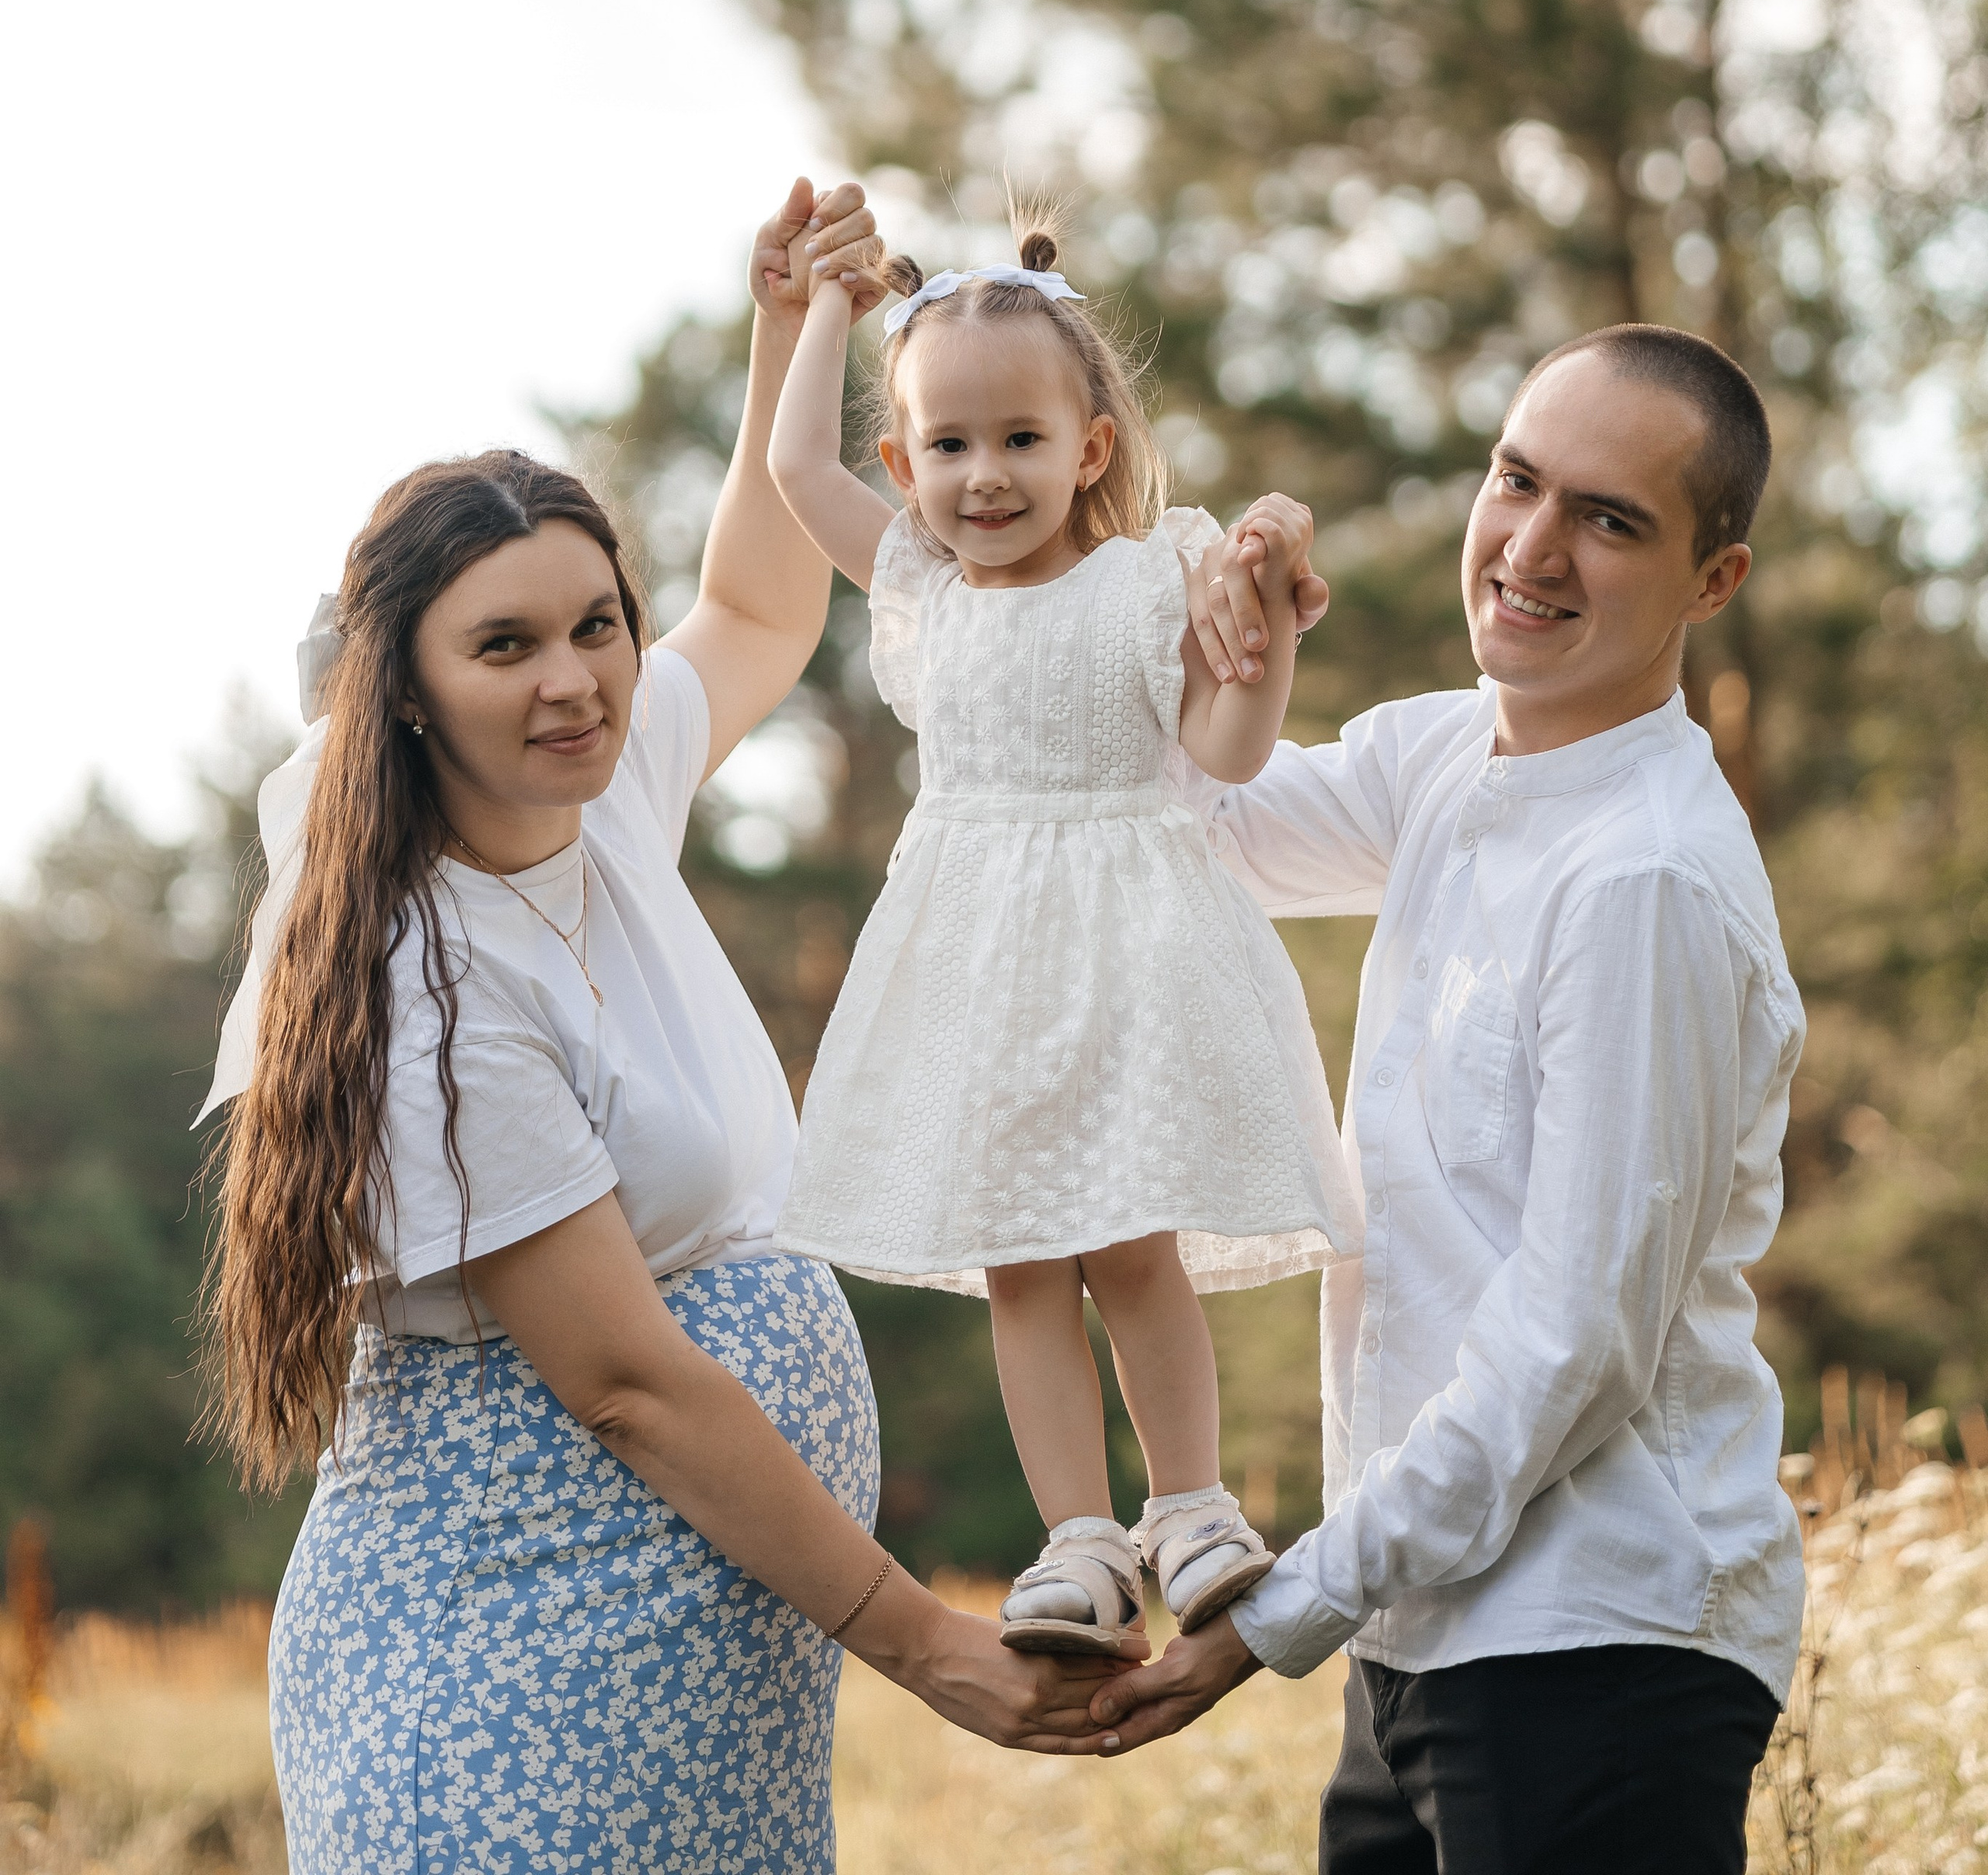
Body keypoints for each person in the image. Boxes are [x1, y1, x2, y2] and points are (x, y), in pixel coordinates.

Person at [198, 179, 1116, 1875]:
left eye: (596, 625)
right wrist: (926, 1643)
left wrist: (788, 332)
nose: (576, 680)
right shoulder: (431, 985)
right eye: (505, 646)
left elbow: (764, 612)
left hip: (694, 1658)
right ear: (401, 690)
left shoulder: (597, 803)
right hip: (506, 1669)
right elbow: (626, 1383)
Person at [1088, 324, 1806, 1875]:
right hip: (1421, 1636)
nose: (1532, 548)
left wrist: (1281, 1607)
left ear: (1709, 582)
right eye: (1516, 481)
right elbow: (1181, 820)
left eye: (1609, 520)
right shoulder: (1437, 758)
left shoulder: (1646, 883)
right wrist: (1204, 592)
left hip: (1597, 1647)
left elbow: (1569, 1351)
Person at [765, 217, 1361, 1658]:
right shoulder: (916, 590)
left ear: (1091, 447)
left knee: (1131, 1241)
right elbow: (795, 472)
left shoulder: (1155, 577)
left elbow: (1224, 751)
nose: (986, 476)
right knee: (1024, 1266)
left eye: (1021, 438)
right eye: (949, 447)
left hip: (1132, 958)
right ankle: (1079, 1542)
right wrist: (826, 311)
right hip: (979, 974)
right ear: (906, 469)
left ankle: (1193, 1505)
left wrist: (1268, 629)